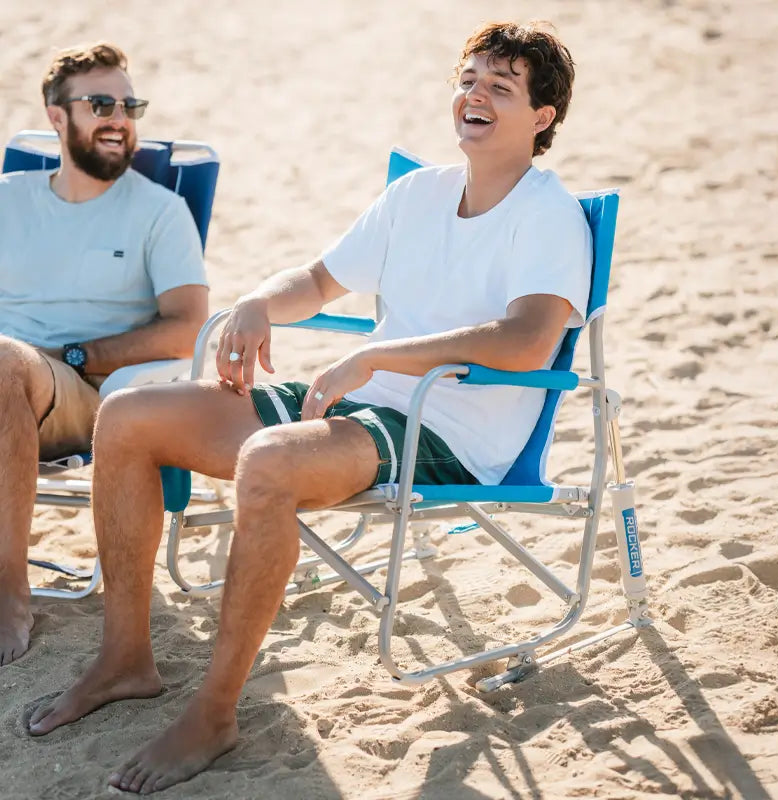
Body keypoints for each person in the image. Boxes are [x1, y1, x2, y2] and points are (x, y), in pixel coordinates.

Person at [28, 21, 592, 795]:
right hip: (360, 404)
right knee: (128, 419)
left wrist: (381, 353)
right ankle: (125, 659)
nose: (475, 96)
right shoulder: (419, 193)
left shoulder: (548, 213)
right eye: (469, 79)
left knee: (268, 461)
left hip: (448, 426)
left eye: (502, 87)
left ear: (543, 117)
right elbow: (321, 282)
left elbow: (529, 341)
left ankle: (215, 712)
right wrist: (260, 302)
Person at [0, 43, 209, 666]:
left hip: (77, 391)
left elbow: (188, 328)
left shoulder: (159, 212)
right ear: (57, 117)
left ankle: (9, 592)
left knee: (6, 364)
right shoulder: (8, 198)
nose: (119, 117)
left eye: (128, 104)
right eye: (100, 103)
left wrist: (72, 352)